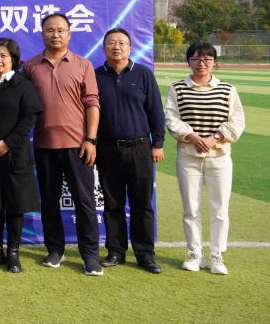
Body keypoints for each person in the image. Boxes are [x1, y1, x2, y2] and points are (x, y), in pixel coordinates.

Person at [23, 13, 103, 276]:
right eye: (50, 30)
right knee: (49, 201)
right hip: (44, 145)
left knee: (85, 202)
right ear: (42, 34)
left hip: (78, 145)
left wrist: (90, 139)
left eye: (60, 30)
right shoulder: (31, 66)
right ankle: (55, 250)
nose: (55, 34)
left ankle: (90, 256)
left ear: (69, 34)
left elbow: (92, 104)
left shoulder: (83, 65)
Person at [165, 42, 244, 275]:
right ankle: (194, 253)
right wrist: (192, 136)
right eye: (196, 58)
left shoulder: (227, 89)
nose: (202, 63)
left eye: (207, 59)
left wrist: (215, 138)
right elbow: (171, 118)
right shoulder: (177, 88)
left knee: (220, 208)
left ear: (214, 62)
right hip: (188, 156)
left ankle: (217, 255)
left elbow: (237, 121)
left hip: (219, 156)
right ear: (188, 61)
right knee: (191, 208)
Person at [94, 28, 165, 274]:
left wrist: (158, 143)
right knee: (112, 203)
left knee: (142, 204)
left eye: (122, 43)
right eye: (111, 43)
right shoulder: (95, 76)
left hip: (140, 148)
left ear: (130, 48)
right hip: (107, 149)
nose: (117, 47)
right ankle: (116, 251)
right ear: (104, 47)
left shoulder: (143, 74)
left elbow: (155, 111)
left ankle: (145, 254)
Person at [0, 38, 41, 274]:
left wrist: (7, 143)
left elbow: (28, 119)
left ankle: (13, 253)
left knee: (14, 205)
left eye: (3, 55)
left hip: (16, 156)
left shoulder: (24, 86)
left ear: (13, 59)